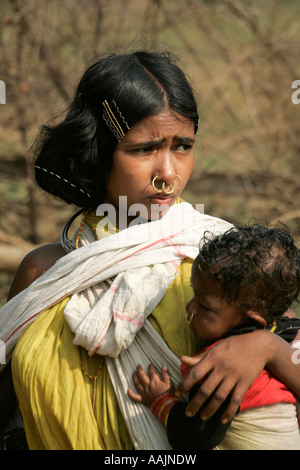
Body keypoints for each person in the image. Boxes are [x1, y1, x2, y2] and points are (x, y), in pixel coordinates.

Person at [0, 50, 300, 450]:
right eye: (144, 149)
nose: (169, 175)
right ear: (98, 151)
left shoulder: (218, 262)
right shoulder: (45, 274)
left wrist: (267, 347)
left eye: (183, 146)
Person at [128, 224, 300, 450]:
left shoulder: (223, 368)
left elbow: (194, 438)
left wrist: (162, 399)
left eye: (205, 306)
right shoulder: (283, 330)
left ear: (252, 320)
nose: (189, 308)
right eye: (193, 294)